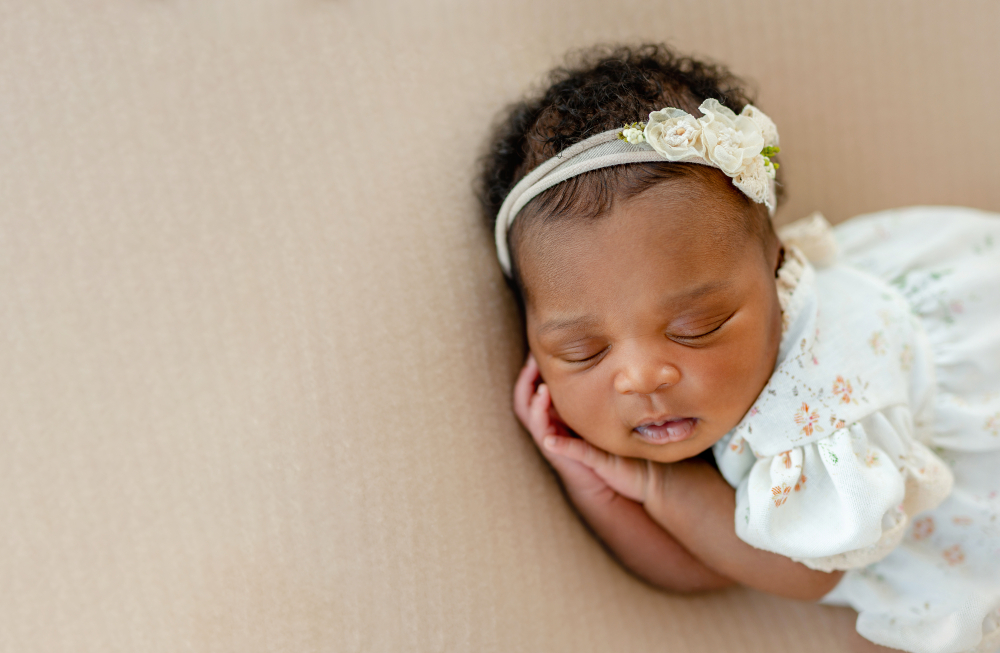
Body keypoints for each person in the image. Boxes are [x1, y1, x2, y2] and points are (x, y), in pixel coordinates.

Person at [479, 44, 1000, 653]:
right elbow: (707, 571)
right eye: (582, 351)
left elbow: (806, 572)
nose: (642, 376)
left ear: (777, 268)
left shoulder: (819, 391)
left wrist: (663, 490)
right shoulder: (723, 388)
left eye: (697, 325)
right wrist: (601, 486)